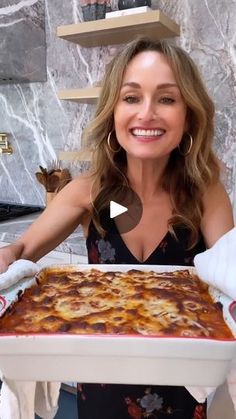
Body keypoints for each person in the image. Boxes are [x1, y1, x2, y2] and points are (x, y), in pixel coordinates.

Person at [0, 37, 234, 418]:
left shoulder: (205, 193)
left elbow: (231, 273)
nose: (147, 113)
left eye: (167, 98)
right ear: (112, 112)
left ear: (189, 115)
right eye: (131, 97)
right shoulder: (90, 194)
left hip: (183, 389)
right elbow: (21, 252)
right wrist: (7, 254)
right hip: (101, 383)